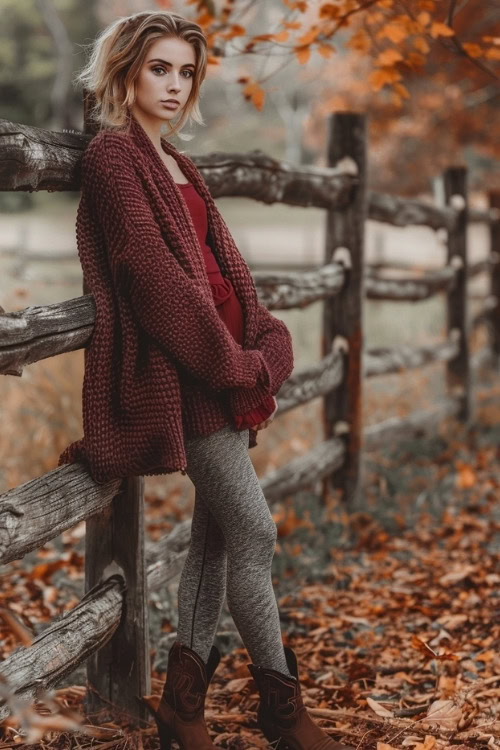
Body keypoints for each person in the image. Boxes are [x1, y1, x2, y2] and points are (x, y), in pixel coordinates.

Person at [59, 10, 352, 750]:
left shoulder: (178, 162)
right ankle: (282, 709)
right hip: (190, 378)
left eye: (186, 72)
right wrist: (236, 366)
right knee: (254, 529)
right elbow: (154, 282)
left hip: (226, 374)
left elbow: (228, 274)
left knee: (218, 542)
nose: (174, 84)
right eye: (159, 68)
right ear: (124, 69)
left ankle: (181, 709)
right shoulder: (113, 158)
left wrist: (266, 346)